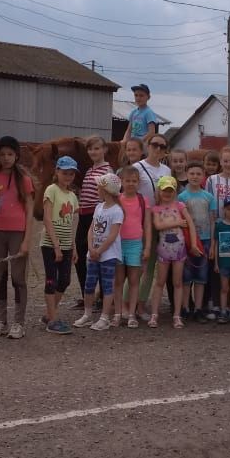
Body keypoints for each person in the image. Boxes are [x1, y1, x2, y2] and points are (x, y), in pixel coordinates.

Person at [0, 135, 34, 340]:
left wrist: (27, 239)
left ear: (16, 155)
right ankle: (0, 321)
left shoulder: (24, 181)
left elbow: (29, 210)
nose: (6, 158)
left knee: (18, 278)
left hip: (17, 233)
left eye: (10, 154)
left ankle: (18, 322)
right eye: (2, 154)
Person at [73, 172, 124, 332]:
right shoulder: (98, 207)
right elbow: (91, 229)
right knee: (89, 283)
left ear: (106, 190)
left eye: (99, 187)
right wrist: (91, 247)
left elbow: (113, 234)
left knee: (107, 285)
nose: (96, 189)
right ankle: (87, 314)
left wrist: (100, 250)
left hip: (108, 254)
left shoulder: (117, 211)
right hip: (93, 253)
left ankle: (104, 317)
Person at [149, 175, 200, 329]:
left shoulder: (180, 206)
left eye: (170, 190)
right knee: (160, 282)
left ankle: (177, 315)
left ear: (175, 191)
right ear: (159, 191)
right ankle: (154, 314)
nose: (167, 193)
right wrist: (177, 222)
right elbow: (158, 225)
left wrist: (194, 244)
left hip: (179, 250)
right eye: (164, 190)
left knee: (178, 283)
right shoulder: (156, 209)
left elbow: (190, 223)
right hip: (164, 251)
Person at [133, 134, 173, 317]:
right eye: (155, 145)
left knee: (149, 267)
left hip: (161, 219)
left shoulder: (166, 170)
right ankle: (126, 304)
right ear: (148, 146)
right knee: (136, 265)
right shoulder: (137, 168)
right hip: (141, 220)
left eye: (162, 147)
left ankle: (141, 304)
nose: (158, 149)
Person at [40, 155, 79, 334]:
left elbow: (72, 222)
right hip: (50, 244)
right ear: (57, 172)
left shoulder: (72, 196)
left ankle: (50, 313)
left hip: (66, 244)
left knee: (64, 280)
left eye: (71, 174)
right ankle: (53, 319)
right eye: (65, 173)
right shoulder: (51, 190)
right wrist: (55, 245)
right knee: (51, 280)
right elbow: (47, 218)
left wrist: (74, 247)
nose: (68, 177)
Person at [74, 136, 112, 307]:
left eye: (97, 148)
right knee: (80, 255)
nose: (93, 152)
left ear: (104, 150)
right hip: (83, 215)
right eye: (90, 149)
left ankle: (103, 296)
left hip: (96, 216)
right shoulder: (90, 170)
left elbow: (107, 196)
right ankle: (86, 294)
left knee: (98, 254)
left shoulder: (107, 171)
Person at [178, 161, 217, 321]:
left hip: (205, 240)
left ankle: (199, 309)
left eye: (198, 174)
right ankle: (186, 307)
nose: (195, 177)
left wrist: (213, 243)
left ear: (203, 176)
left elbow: (213, 220)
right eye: (192, 173)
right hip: (186, 241)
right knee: (186, 277)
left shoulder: (208, 197)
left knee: (201, 276)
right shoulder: (181, 197)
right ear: (187, 175)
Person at [114, 164, 152, 328]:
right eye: (127, 181)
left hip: (135, 244)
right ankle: (118, 312)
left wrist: (148, 246)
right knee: (118, 280)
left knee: (134, 280)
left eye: (134, 181)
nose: (130, 184)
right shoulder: (116, 200)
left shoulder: (143, 200)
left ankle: (131, 313)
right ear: (121, 181)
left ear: (138, 182)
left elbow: (147, 225)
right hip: (118, 244)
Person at [211, 196, 230, 324]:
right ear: (224, 209)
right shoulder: (219, 225)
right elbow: (216, 244)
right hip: (223, 262)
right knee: (224, 288)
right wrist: (216, 263)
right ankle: (223, 311)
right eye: (229, 209)